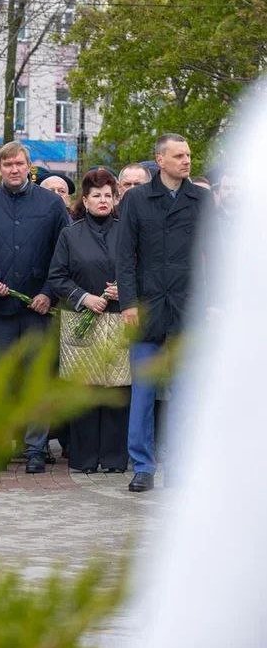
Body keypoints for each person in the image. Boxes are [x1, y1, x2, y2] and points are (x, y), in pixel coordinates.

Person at [0, 141, 69, 473]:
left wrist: (49, 293)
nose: (14, 169)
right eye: (8, 164)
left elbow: (63, 254)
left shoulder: (51, 204)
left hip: (38, 309)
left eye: (19, 164)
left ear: (29, 167)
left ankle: (35, 447)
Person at [116, 133, 208, 493]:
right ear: (160, 160)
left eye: (188, 155)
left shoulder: (201, 199)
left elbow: (213, 252)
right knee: (143, 391)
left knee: (186, 391)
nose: (186, 161)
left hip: (188, 306)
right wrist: (128, 303)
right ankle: (143, 466)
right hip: (147, 306)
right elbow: (125, 256)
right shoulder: (137, 199)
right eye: (179, 155)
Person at [48, 168, 130, 473]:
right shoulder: (70, 234)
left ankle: (114, 459)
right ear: (85, 200)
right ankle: (84, 459)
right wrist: (84, 297)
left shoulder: (127, 232)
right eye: (97, 195)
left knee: (117, 390)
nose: (103, 200)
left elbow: (141, 270)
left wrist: (126, 290)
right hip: (82, 319)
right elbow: (57, 276)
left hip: (119, 319)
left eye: (108, 195)